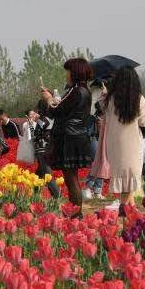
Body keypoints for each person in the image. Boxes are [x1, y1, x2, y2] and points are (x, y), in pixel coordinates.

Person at [97, 67, 145, 210]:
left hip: (113, 143)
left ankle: (131, 208)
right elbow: (143, 122)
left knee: (122, 175)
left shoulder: (110, 99)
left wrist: (104, 93)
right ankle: (123, 208)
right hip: (132, 143)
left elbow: (102, 107)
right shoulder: (138, 98)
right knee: (131, 176)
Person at [40, 58, 94, 216]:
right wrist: (52, 97)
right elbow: (63, 107)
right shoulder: (85, 90)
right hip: (78, 136)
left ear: (74, 72)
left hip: (68, 138)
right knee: (72, 177)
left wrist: (48, 99)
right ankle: (75, 212)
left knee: (71, 179)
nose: (66, 75)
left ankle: (76, 214)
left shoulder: (75, 91)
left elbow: (56, 111)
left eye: (68, 71)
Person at [27, 104, 61, 199]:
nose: (34, 114)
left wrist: (31, 125)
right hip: (49, 148)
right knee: (39, 174)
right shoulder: (51, 119)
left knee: (47, 175)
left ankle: (57, 195)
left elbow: (35, 136)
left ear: (40, 111)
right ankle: (34, 195)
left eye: (36, 112)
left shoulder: (42, 120)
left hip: (42, 149)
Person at [83, 80, 106, 200]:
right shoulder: (92, 107)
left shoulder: (106, 108)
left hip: (103, 138)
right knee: (98, 162)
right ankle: (88, 187)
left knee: (102, 163)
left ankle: (97, 190)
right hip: (93, 137)